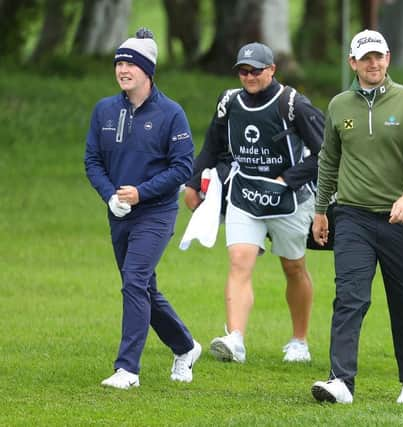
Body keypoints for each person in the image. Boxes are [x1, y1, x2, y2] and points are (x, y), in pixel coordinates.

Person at [310, 30, 403, 404]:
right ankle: (341, 382)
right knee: (349, 298)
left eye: (378, 57)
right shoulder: (339, 106)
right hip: (353, 217)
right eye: (365, 58)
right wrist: (320, 210)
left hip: (402, 219)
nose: (373, 64)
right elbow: (328, 160)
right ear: (353, 63)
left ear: (388, 58)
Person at [183, 42, 324, 364]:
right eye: (243, 71)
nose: (249, 76)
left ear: (272, 70)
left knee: (293, 266)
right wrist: (193, 182)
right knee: (239, 261)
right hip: (245, 194)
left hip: (289, 198)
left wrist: (286, 180)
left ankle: (299, 341)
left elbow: (326, 153)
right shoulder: (228, 102)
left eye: (256, 70)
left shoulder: (293, 104)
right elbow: (211, 147)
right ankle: (235, 339)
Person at [85, 28, 201, 389]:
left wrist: (141, 193)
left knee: (134, 282)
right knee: (143, 288)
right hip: (118, 212)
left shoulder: (171, 114)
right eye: (119, 63)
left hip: (157, 212)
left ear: (147, 70)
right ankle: (185, 346)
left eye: (129, 64)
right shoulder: (104, 109)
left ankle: (127, 370)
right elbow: (92, 160)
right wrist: (111, 196)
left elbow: (183, 167)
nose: (122, 69)